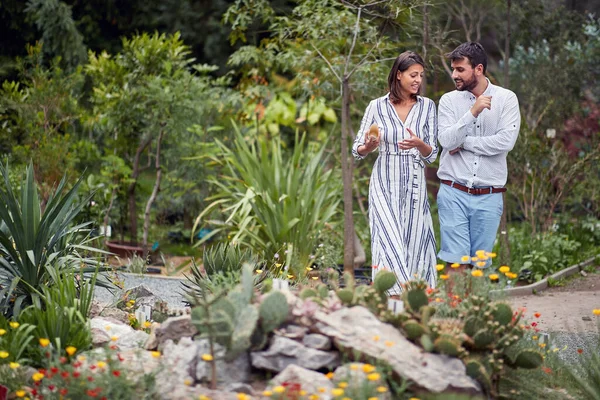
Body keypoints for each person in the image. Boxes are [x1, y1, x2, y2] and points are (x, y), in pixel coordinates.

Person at [353, 51, 438, 294]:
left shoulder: (427, 107)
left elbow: (432, 154)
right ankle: (391, 297)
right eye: (413, 75)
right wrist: (368, 146)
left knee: (414, 239)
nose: (417, 80)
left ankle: (417, 296)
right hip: (383, 182)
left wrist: (419, 144)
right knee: (387, 238)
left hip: (414, 184)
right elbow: (357, 149)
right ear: (398, 75)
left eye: (421, 75)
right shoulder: (376, 107)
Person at [436, 42, 521, 272]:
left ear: (479, 69)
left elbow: (506, 142)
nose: (454, 75)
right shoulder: (448, 101)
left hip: (489, 195)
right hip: (453, 191)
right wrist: (472, 113)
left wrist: (464, 143)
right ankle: (454, 309)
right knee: (456, 262)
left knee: (480, 266)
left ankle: (474, 309)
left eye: (460, 69)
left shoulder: (506, 99)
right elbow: (445, 140)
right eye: (453, 69)